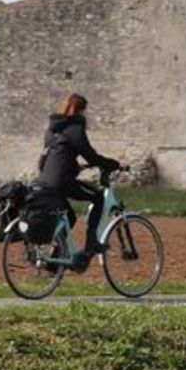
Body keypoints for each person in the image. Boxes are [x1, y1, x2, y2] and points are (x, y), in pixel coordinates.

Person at [32, 92, 127, 259]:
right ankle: (92, 243)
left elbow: (53, 157)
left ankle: (55, 260)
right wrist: (116, 164)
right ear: (81, 111)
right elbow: (92, 156)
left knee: (69, 217)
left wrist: (76, 167)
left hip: (44, 181)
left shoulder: (52, 129)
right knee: (98, 197)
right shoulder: (75, 129)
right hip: (62, 182)